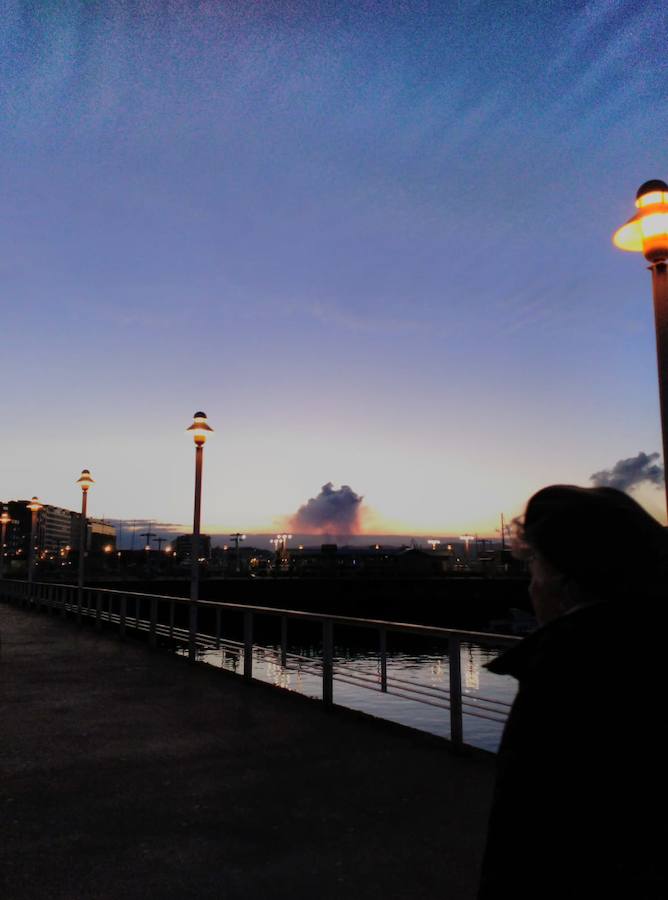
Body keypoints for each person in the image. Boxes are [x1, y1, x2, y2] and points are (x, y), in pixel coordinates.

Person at [477, 485, 667, 899]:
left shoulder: (563, 675)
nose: (531, 585)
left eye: (534, 567)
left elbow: (525, 836)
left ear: (560, 577)